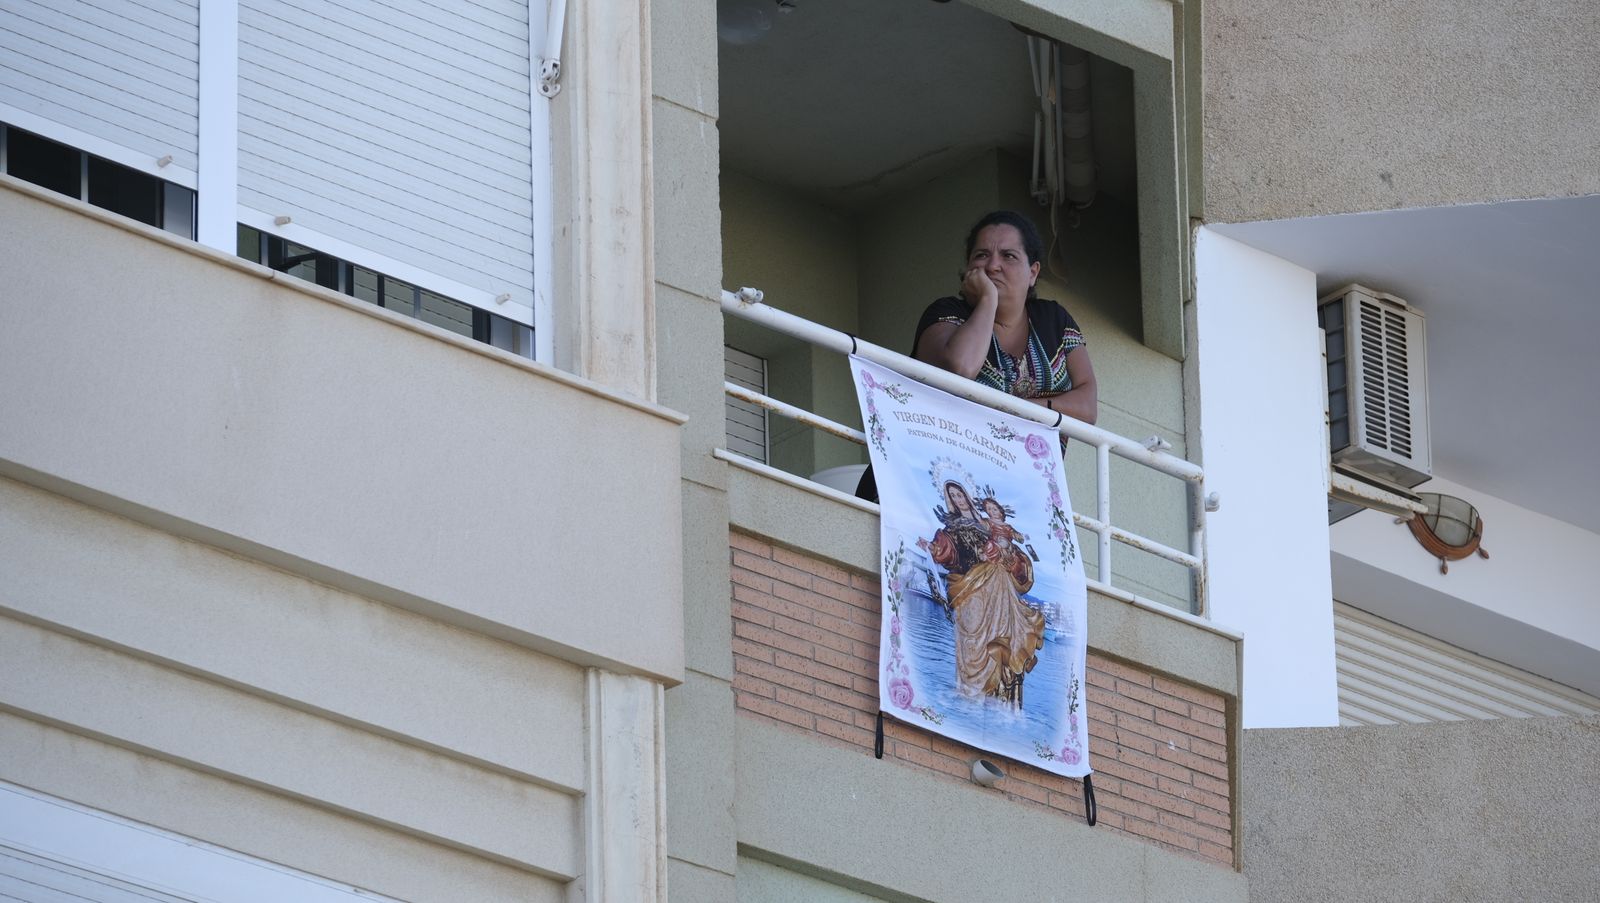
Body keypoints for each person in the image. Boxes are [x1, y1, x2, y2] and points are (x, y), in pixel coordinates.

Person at [856, 210, 1097, 502]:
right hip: (920, 489)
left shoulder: (1055, 320)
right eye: (982, 255)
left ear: (1033, 272)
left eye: (1008, 256)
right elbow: (961, 368)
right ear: (969, 268)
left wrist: (1022, 408)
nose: (993, 265)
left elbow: (1087, 407)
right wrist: (987, 301)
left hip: (1011, 502)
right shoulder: (947, 313)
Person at [918, 484, 1044, 705]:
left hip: (998, 585)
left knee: (1003, 635)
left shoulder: (988, 525)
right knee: (973, 641)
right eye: (953, 496)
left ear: (966, 495)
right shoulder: (952, 528)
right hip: (970, 586)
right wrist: (934, 548)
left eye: (960, 494)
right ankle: (971, 695)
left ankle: (1001, 697)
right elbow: (948, 553)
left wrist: (1004, 554)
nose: (958, 499)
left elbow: (1016, 559)